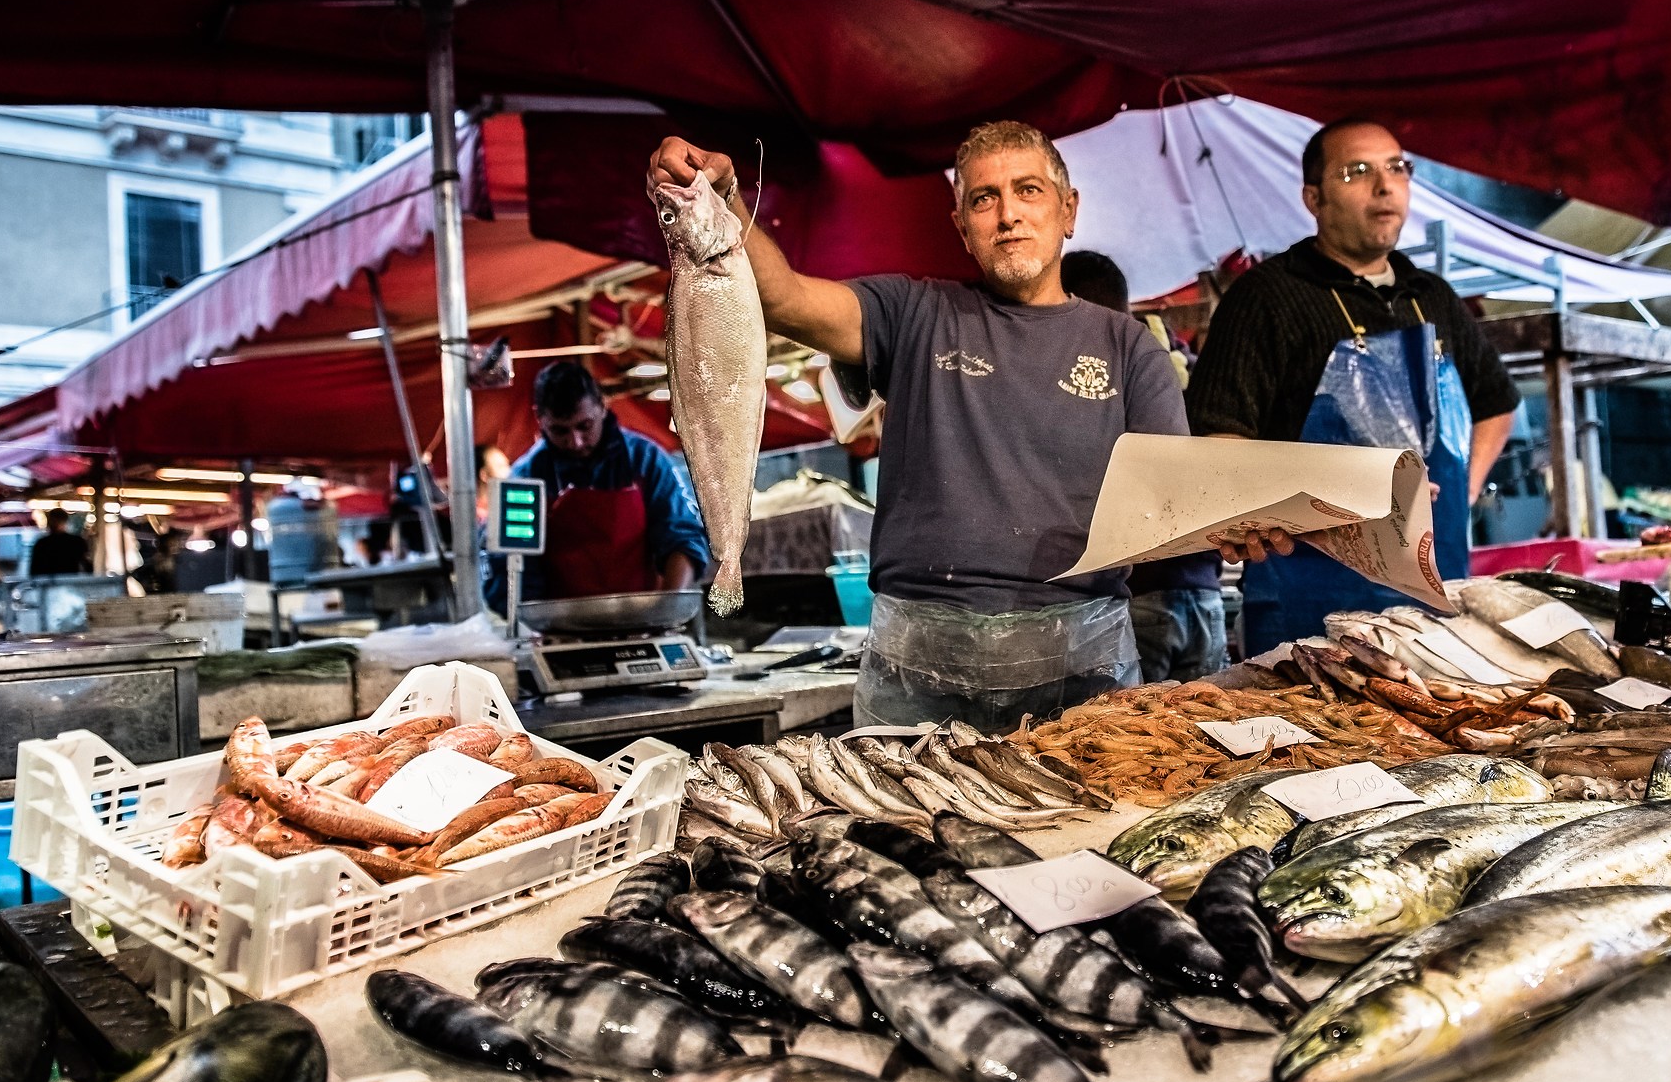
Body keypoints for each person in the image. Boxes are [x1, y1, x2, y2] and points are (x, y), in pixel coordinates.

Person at [647, 122, 1187, 729]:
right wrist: (723, 199)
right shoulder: (914, 314)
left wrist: (1249, 525)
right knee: (900, 828)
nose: (1007, 214)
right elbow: (786, 299)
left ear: (1068, 211)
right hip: (917, 675)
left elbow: (1174, 500)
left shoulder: (1129, 349)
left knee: (1089, 825)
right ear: (962, 227)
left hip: (1083, 674)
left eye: (1028, 191)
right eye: (984, 199)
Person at [1183, 117, 1518, 649]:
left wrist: (1462, 492)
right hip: (1308, 599)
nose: (1384, 186)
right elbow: (1218, 438)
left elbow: (1498, 404)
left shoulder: (1430, 295)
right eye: (1357, 172)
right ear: (1313, 199)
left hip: (1439, 595)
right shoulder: (1266, 297)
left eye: (1396, 168)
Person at [1059, 248, 1227, 682]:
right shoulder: (1186, 369)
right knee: (1205, 735)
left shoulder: (1098, 378)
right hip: (1206, 593)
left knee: (1143, 742)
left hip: (1143, 595)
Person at [481, 359, 711, 611]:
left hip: (643, 618)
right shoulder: (525, 478)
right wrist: (535, 625)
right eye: (560, 431)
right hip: (560, 627)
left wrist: (666, 612)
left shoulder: (646, 460)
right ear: (539, 418)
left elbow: (683, 538)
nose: (575, 442)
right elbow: (511, 567)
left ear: (602, 406)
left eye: (584, 426)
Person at [27, 509, 87, 577]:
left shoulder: (42, 544)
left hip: (47, 585)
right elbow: (86, 567)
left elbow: (34, 572)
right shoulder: (77, 542)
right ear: (65, 522)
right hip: (71, 583)